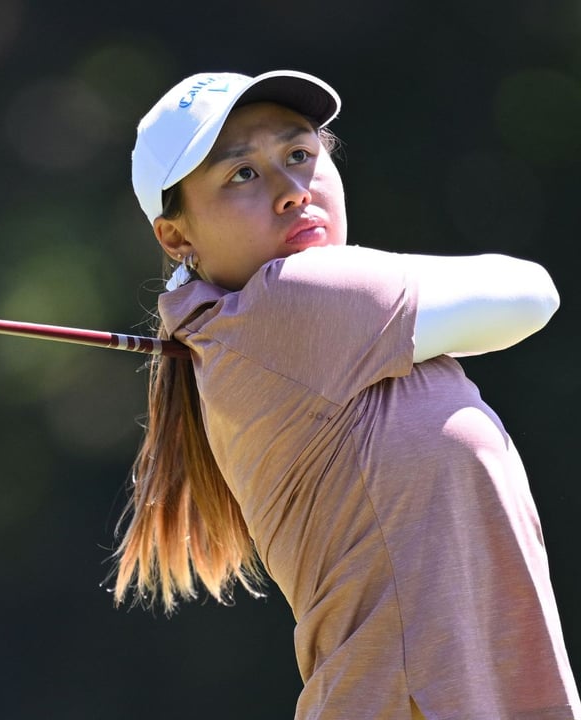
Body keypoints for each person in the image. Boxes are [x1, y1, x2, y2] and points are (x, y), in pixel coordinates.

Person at [114, 70, 578, 719]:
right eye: (241, 174)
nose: (290, 191)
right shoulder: (290, 301)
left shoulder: (265, 325)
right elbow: (531, 293)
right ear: (176, 236)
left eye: (300, 154)